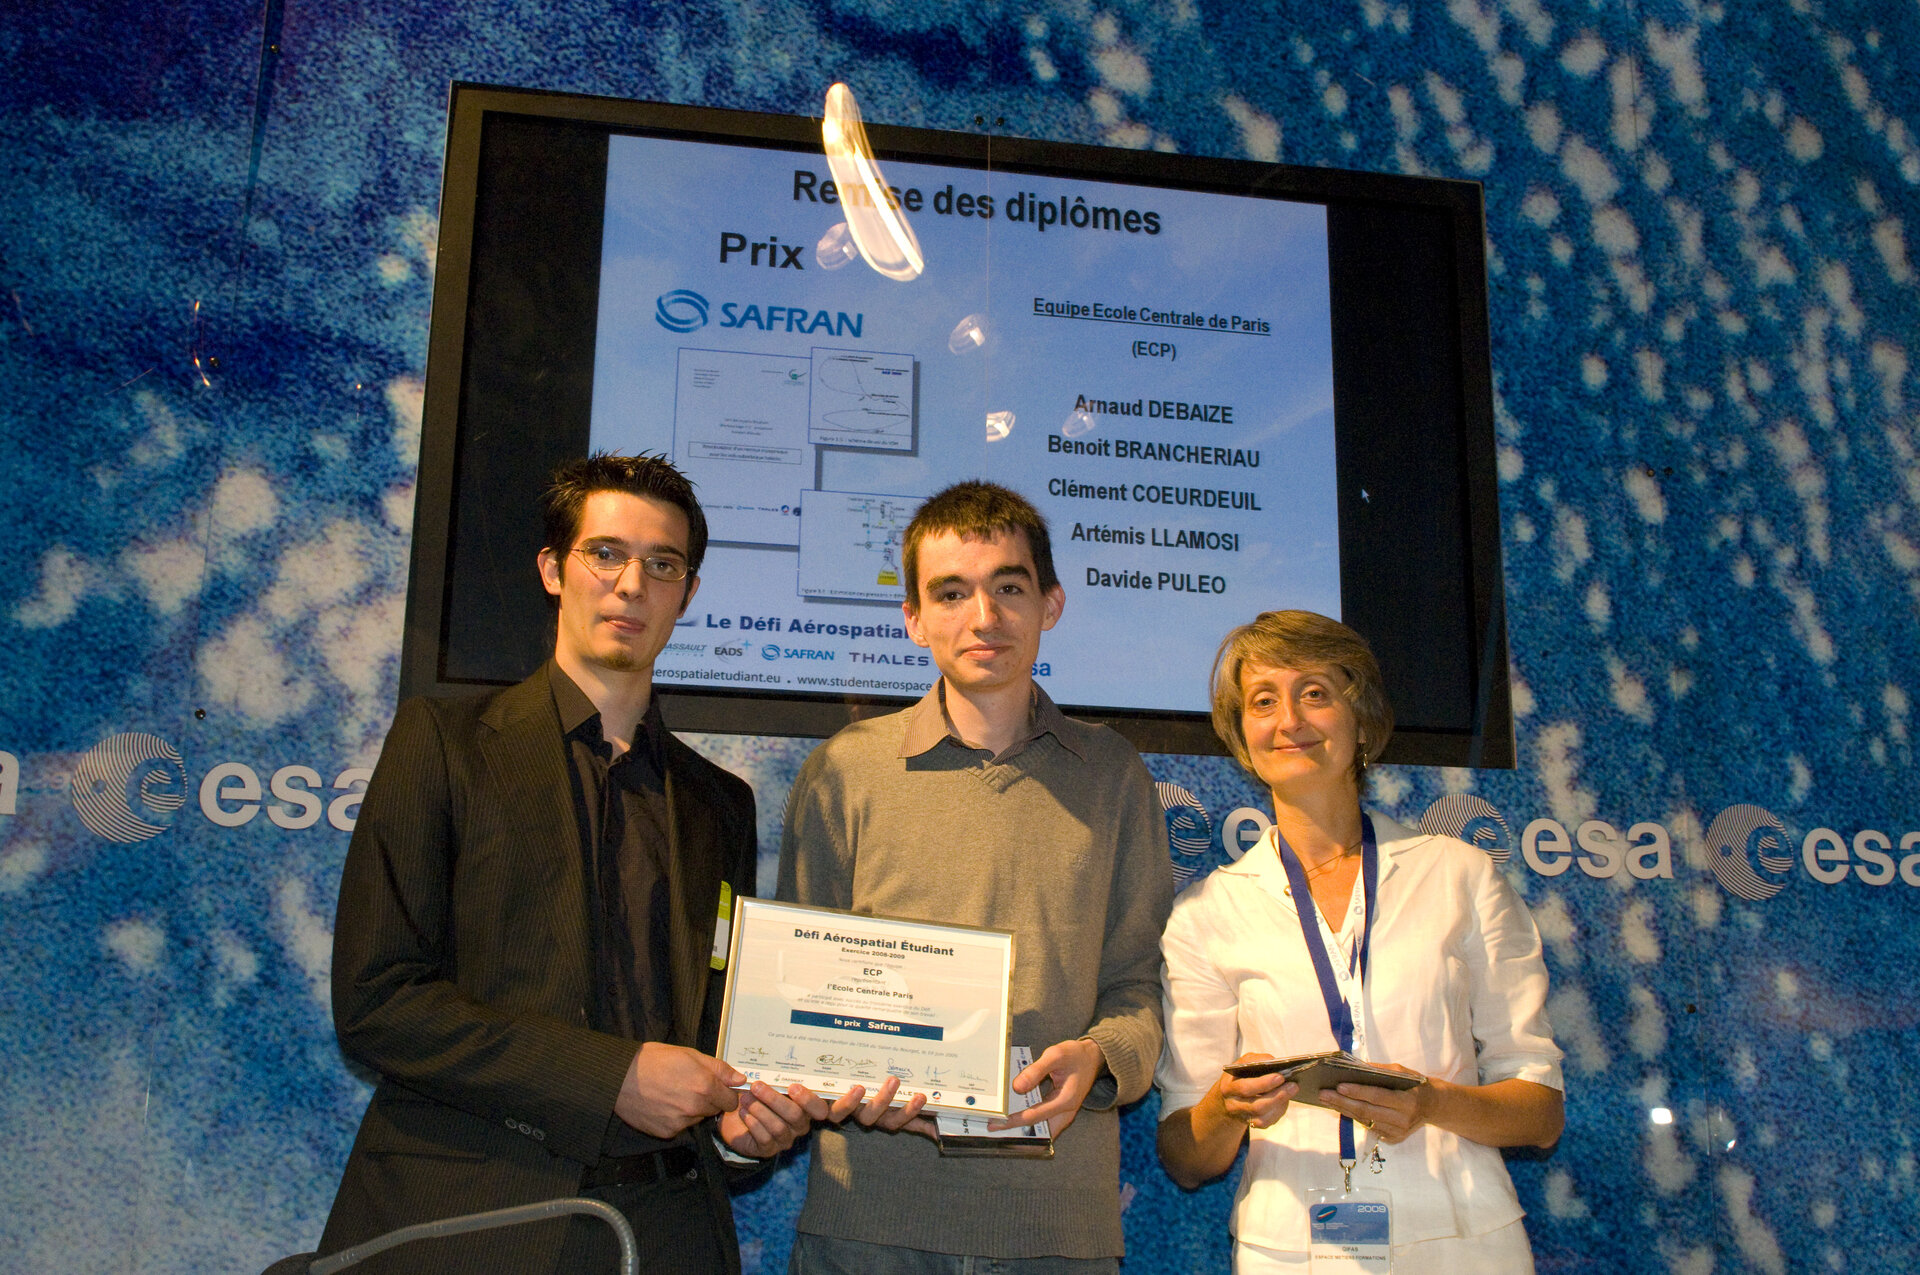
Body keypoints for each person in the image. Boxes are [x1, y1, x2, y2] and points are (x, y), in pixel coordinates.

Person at [319, 454, 844, 1275]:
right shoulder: (444, 744)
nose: (631, 584)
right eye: (605, 553)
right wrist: (610, 1076)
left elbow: (709, 1033)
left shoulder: (720, 805)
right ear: (553, 570)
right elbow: (379, 1000)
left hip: (671, 1228)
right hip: (477, 1220)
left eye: (662, 564)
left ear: (687, 593)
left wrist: (740, 1129)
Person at [777, 480, 1174, 1273]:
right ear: (914, 618)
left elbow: (1138, 986)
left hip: (1055, 1227)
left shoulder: (1113, 773)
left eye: (1009, 587)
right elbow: (798, 997)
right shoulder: (845, 771)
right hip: (871, 1216)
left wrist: (1100, 1056)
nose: (984, 618)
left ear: (1050, 603)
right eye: (951, 593)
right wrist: (830, 1064)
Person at [1155, 610, 1564, 1274]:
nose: (1289, 718)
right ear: (1243, 736)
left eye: (1315, 692)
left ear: (1362, 719)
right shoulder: (1206, 913)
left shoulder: (1459, 875)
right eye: (1263, 700)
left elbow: (1539, 1111)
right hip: (1291, 1249)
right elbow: (1186, 1152)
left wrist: (1432, 1101)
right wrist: (1226, 1105)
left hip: (1461, 1237)